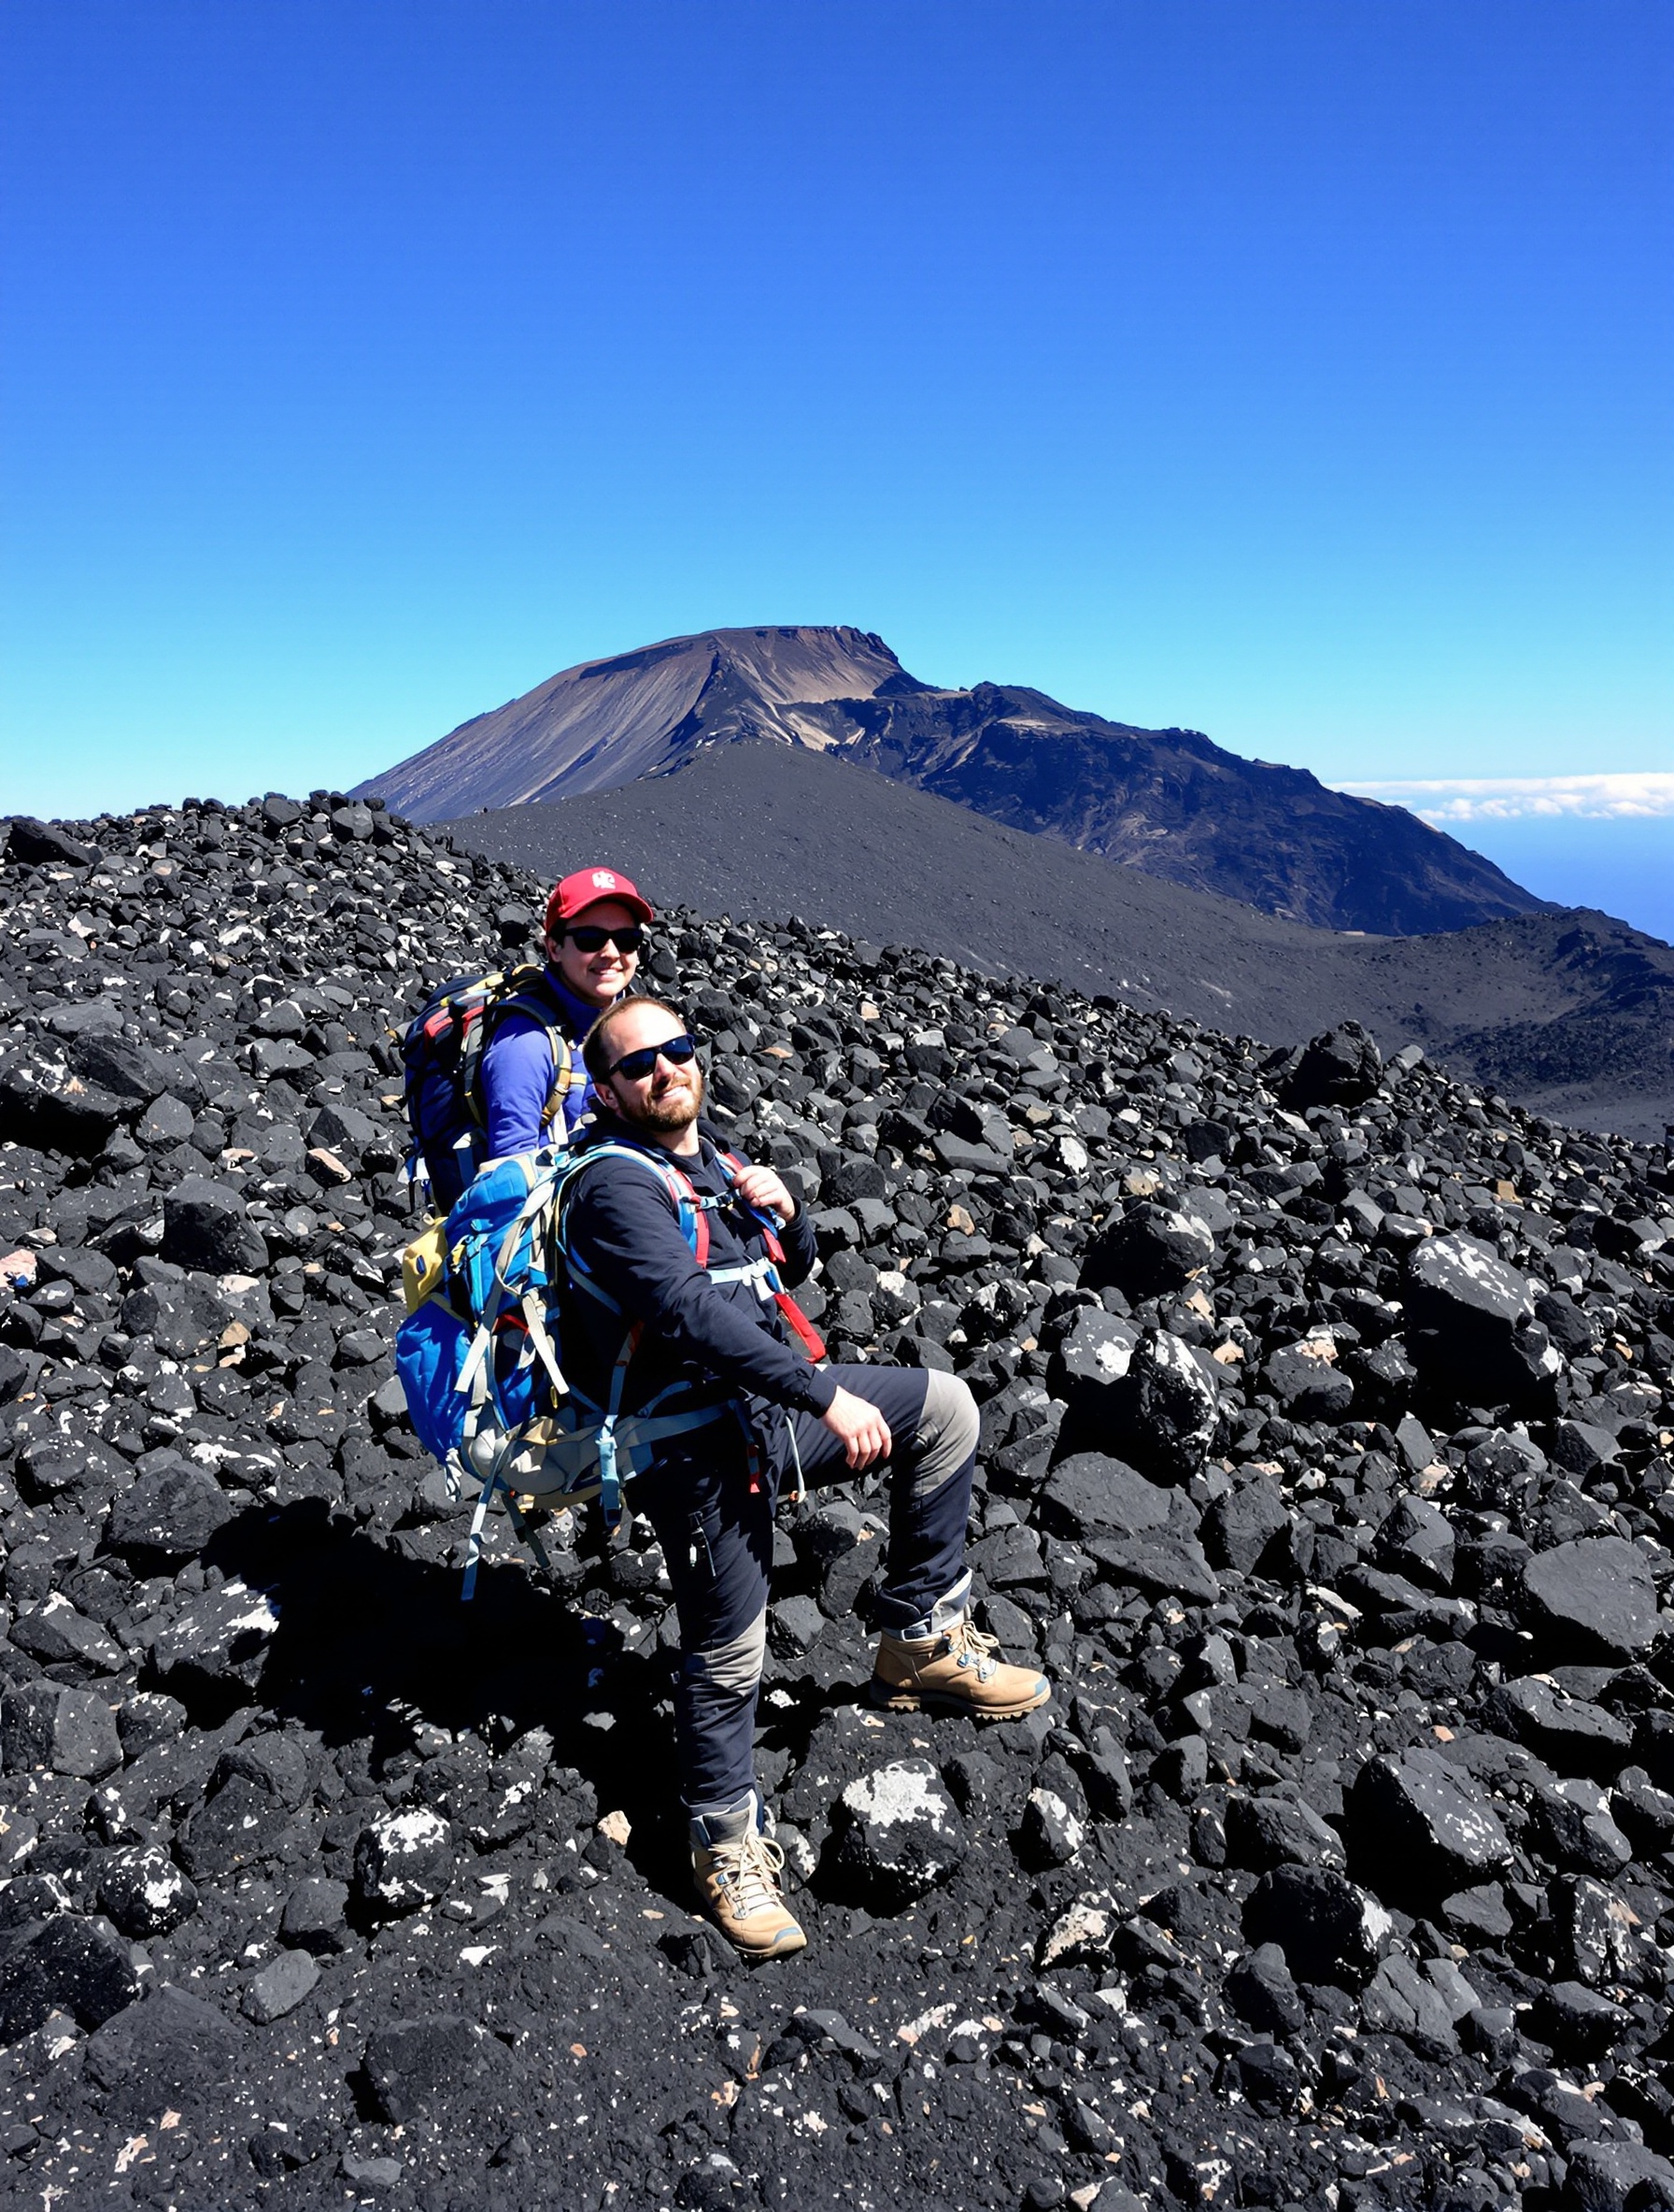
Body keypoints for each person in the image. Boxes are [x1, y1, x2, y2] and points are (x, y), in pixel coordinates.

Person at [560, 994, 1051, 1959]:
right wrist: (826, 1400)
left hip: (758, 1410)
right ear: (609, 1093)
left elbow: (776, 1278)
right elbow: (686, 1309)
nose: (666, 1069)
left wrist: (796, 1220)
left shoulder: (713, 1160)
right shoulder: (611, 1186)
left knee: (945, 1409)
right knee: (730, 1648)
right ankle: (721, 1844)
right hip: (684, 1441)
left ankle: (919, 1640)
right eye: (639, 1064)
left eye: (679, 1049)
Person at [475, 866, 652, 1159]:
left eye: (626, 939)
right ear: (553, 947)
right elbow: (510, 1177)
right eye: (590, 939)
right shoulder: (525, 1045)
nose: (610, 953)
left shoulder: (639, 1024)